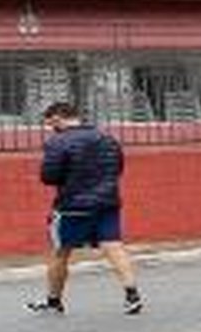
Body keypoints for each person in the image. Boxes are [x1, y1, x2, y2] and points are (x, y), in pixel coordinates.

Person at [29, 101, 142, 315]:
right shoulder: (107, 138)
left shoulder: (58, 141)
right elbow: (117, 167)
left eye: (50, 122)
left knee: (60, 252)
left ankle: (54, 301)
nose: (50, 127)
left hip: (72, 205)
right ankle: (132, 294)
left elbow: (48, 177)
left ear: (58, 117)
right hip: (107, 202)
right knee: (113, 246)